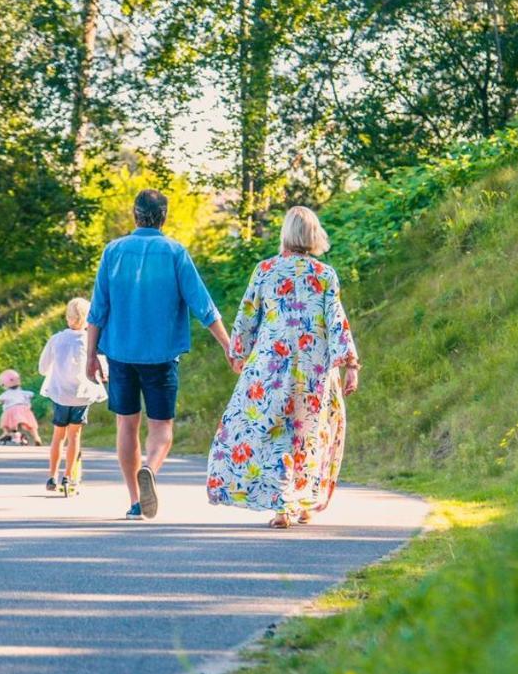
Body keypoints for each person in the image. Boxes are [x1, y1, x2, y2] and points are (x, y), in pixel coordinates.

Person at [86, 188, 236, 520]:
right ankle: (151, 469)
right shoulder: (174, 252)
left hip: (121, 355)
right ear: (163, 217)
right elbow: (204, 306)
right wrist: (229, 346)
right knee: (162, 427)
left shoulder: (113, 252)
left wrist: (90, 355)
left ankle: (136, 501)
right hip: (162, 356)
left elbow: (98, 309)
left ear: (134, 215)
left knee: (126, 425)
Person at [206, 206, 360, 529]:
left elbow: (247, 316)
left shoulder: (265, 271)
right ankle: (301, 502)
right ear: (313, 235)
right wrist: (350, 365)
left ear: (285, 233)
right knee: (309, 433)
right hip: (313, 369)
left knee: (276, 431)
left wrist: (238, 351)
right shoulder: (324, 275)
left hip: (272, 367)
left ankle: (285, 506)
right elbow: (336, 322)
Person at [38, 297, 107, 492]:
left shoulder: (56, 339)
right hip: (81, 395)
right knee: (74, 436)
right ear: (88, 319)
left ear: (67, 317)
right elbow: (102, 368)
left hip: (60, 394)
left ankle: (52, 476)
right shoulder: (90, 341)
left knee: (58, 435)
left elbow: (43, 368)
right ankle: (68, 477)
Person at [0, 369, 43, 445]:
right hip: (24, 410)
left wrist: (0, 402)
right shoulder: (23, 392)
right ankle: (37, 437)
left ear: (3, 384)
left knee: (4, 421)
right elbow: (31, 394)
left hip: (11, 411)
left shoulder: (6, 394)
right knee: (31, 425)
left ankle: (6, 433)